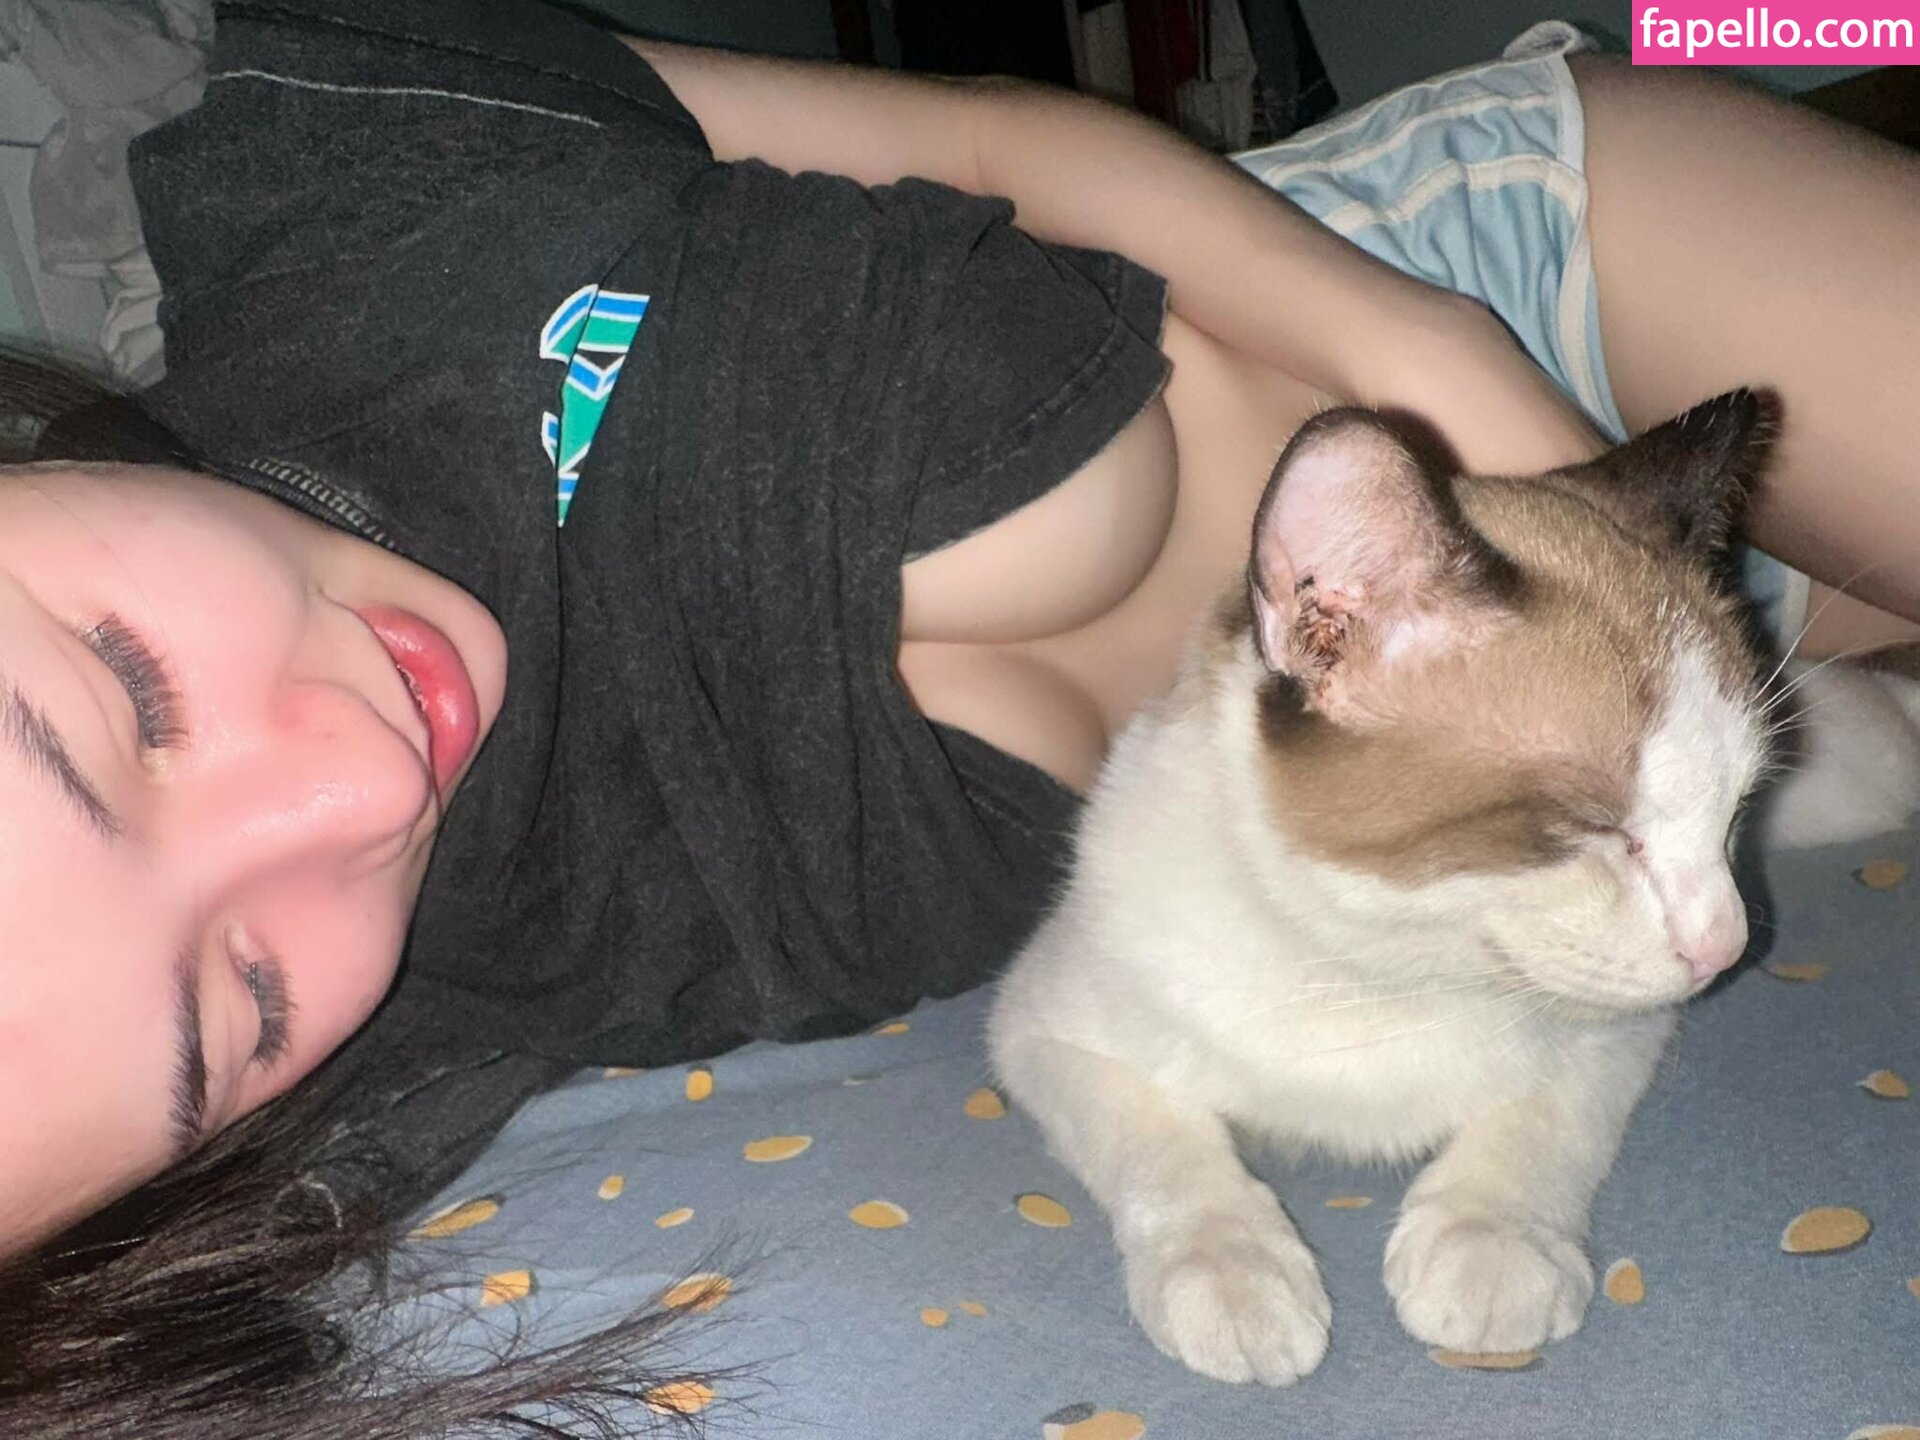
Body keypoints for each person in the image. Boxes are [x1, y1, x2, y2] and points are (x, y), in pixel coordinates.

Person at [2, 1, 1916, 1433]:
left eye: (115, 693)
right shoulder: (412, 1037)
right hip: (1613, 754)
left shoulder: (314, 199)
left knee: (1838, 19)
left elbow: (997, 135)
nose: (354, 781)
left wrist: (1441, 362)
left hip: (1484, 281)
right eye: (244, 996)